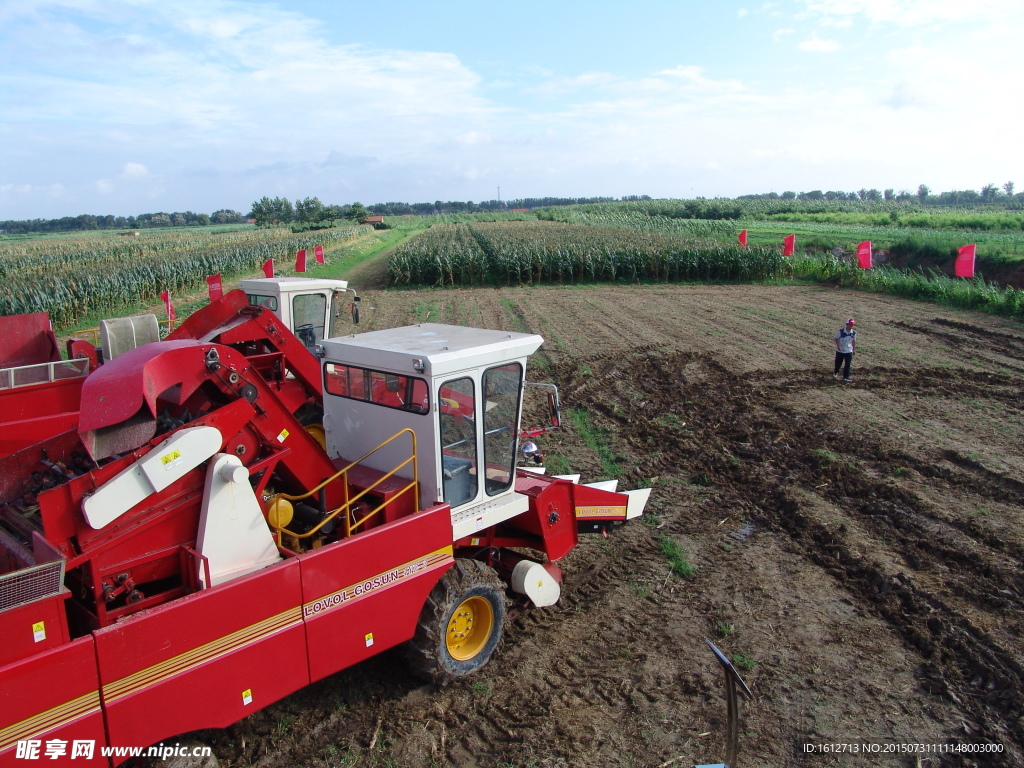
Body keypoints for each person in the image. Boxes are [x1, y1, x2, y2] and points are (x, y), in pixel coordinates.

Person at [833, 318, 856, 382]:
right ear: (847, 324)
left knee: (847, 364)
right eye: (850, 324)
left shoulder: (853, 333)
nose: (851, 326)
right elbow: (836, 339)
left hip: (848, 350)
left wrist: (854, 349)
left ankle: (846, 377)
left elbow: (853, 341)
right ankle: (835, 372)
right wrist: (838, 346)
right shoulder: (841, 331)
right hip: (840, 350)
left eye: (852, 325)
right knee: (838, 363)